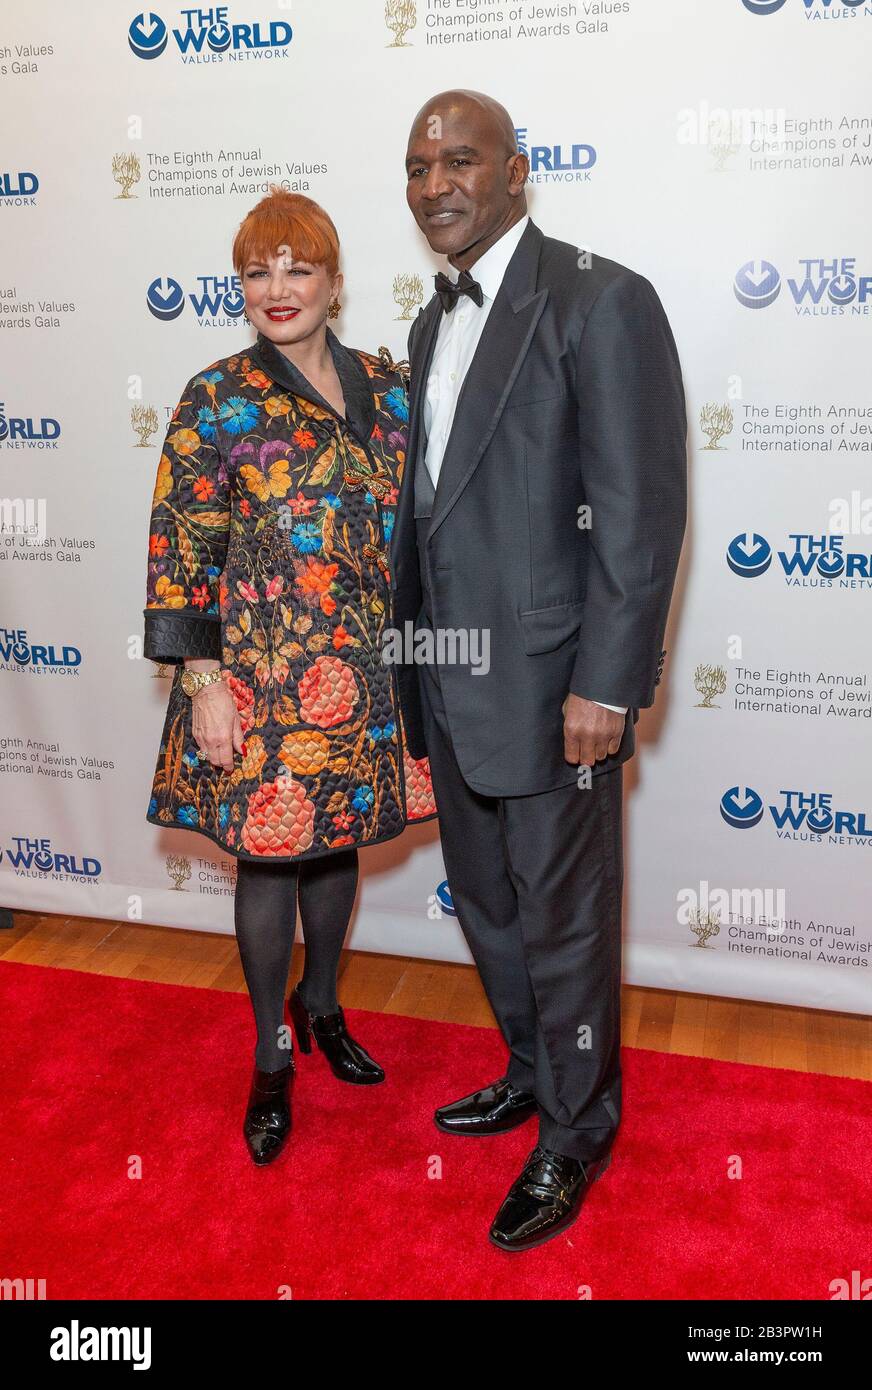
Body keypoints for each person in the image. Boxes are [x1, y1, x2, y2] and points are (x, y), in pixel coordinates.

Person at [390, 91, 687, 1251]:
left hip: (554, 686)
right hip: (448, 678)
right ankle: (531, 1072)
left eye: (459, 160)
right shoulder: (428, 323)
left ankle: (577, 1127)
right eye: (416, 165)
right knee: (494, 909)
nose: (434, 184)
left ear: (518, 171)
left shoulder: (598, 297)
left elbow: (636, 511)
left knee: (563, 922)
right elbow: (434, 515)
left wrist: (603, 687)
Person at [143, 187, 436, 1167]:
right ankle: (272, 1054)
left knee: (334, 842)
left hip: (363, 672)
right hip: (260, 675)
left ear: (334, 281)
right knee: (270, 856)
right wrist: (202, 679)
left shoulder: (388, 389)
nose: (277, 288)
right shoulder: (216, 395)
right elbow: (182, 541)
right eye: (257, 271)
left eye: (297, 267)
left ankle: (322, 1002)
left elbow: (422, 527)